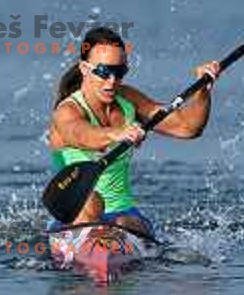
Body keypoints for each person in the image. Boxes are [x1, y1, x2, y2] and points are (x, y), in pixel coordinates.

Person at [47, 27, 221, 236]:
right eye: (103, 72)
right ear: (84, 68)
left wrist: (202, 91)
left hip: (123, 216)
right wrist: (117, 133)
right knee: (92, 202)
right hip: (75, 215)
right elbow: (79, 134)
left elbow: (188, 128)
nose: (112, 81)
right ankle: (96, 243)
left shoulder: (128, 99)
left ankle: (114, 245)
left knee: (126, 222)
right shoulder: (67, 110)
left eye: (119, 72)